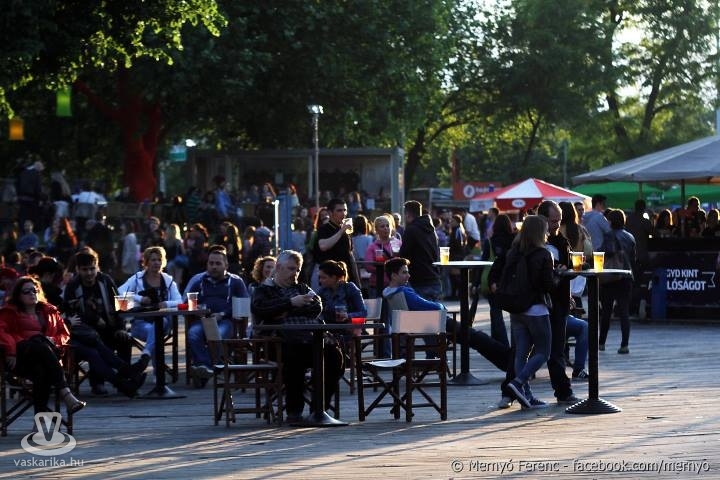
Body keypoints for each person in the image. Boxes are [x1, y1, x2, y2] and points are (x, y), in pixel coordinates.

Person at [252, 250, 344, 423]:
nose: (295, 273)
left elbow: (316, 306)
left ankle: (318, 409)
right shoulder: (264, 290)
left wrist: (286, 311)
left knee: (335, 356)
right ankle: (294, 411)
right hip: (280, 342)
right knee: (295, 357)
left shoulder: (302, 288)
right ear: (278, 267)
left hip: (311, 339)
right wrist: (291, 302)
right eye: (291, 269)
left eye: (298, 269)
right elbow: (261, 309)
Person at [383, 257, 509, 372]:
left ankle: (508, 361)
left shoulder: (389, 293)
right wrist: (442, 306)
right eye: (404, 272)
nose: (408, 275)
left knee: (475, 339)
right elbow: (431, 306)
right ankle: (510, 361)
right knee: (478, 338)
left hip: (424, 325)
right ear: (394, 275)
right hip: (436, 324)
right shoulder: (404, 292)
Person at [0, 276, 86, 419]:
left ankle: (39, 423)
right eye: (27, 291)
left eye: (34, 290)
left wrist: (54, 340)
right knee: (38, 341)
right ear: (18, 295)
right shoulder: (9, 312)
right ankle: (66, 393)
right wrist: (10, 350)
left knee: (41, 370)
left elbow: (64, 334)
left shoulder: (50, 311)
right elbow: (1, 332)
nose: (32, 294)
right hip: (20, 358)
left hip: (45, 360)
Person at [62, 249, 143, 396]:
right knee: (95, 343)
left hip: (110, 327)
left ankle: (126, 378)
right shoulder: (72, 286)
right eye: (85, 269)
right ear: (78, 269)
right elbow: (72, 315)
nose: (89, 273)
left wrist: (121, 327)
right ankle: (98, 383)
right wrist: (93, 318)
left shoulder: (106, 280)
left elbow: (121, 305)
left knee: (125, 339)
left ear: (97, 267)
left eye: (92, 269)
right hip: (86, 333)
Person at [497, 216, 555, 409]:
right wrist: (558, 276)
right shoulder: (544, 254)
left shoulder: (514, 251)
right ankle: (518, 382)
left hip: (516, 309)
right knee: (543, 352)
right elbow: (547, 285)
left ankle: (526, 396)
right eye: (545, 230)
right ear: (540, 232)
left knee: (521, 354)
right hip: (536, 309)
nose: (548, 233)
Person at [184, 246, 249, 385]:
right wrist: (196, 309)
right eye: (211, 263)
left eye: (218, 263)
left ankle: (204, 367)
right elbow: (188, 303)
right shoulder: (199, 282)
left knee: (217, 333)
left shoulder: (235, 282)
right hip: (203, 320)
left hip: (227, 321)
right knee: (193, 333)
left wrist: (223, 313)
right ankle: (208, 366)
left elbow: (244, 305)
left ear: (226, 265)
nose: (214, 267)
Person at [536, 200, 579, 405]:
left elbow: (568, 268)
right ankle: (512, 388)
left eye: (559, 220)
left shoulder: (562, 241)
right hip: (538, 302)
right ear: (543, 219)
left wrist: (566, 273)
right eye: (554, 221)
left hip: (558, 301)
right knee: (530, 349)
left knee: (556, 349)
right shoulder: (535, 242)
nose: (557, 225)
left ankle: (563, 391)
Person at [117, 246, 182, 374]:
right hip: (140, 323)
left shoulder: (168, 280)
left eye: (159, 260)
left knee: (160, 324)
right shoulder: (137, 278)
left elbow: (180, 301)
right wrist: (139, 298)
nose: (156, 263)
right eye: (153, 260)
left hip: (163, 324)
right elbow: (119, 292)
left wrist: (166, 304)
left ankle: (145, 356)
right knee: (156, 334)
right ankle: (157, 373)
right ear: (146, 262)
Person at [599, 209, 636, 354]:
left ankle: (601, 343)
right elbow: (633, 258)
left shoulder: (609, 235)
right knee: (624, 311)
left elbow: (607, 251)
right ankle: (624, 345)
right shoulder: (630, 236)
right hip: (626, 276)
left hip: (611, 276)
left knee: (606, 311)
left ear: (610, 221)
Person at [481, 214, 514, 347]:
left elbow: (483, 262)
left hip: (493, 279)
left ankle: (500, 344)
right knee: (514, 314)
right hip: (511, 280)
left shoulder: (490, 242)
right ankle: (514, 345)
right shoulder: (514, 241)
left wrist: (476, 283)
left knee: (495, 312)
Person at [398, 200, 441, 301]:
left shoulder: (411, 229)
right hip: (434, 278)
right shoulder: (431, 229)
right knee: (433, 310)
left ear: (408, 214)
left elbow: (404, 255)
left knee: (420, 311)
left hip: (419, 280)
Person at [314, 198, 361, 289]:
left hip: (347, 278)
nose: (343, 213)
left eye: (345, 210)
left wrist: (357, 281)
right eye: (339, 210)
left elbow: (350, 255)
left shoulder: (345, 230)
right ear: (330, 213)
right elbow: (323, 246)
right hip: (331, 279)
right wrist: (342, 230)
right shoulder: (324, 228)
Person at [317, 260, 367, 340]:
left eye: (324, 278)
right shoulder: (323, 291)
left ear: (334, 277)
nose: (320, 280)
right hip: (329, 330)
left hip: (348, 330)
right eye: (320, 277)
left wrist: (347, 316)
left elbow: (363, 312)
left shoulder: (349, 288)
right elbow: (318, 311)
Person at [625, 199, 653, 317]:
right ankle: (637, 307)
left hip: (629, 255)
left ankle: (630, 308)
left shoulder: (628, 219)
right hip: (641, 255)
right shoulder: (644, 220)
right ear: (643, 208)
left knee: (631, 282)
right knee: (639, 283)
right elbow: (653, 232)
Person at [363, 214, 399, 291]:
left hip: (395, 285)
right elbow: (368, 267)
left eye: (387, 226)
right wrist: (383, 267)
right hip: (377, 285)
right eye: (382, 226)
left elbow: (404, 261)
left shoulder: (397, 243)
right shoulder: (372, 247)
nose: (386, 228)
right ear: (376, 230)